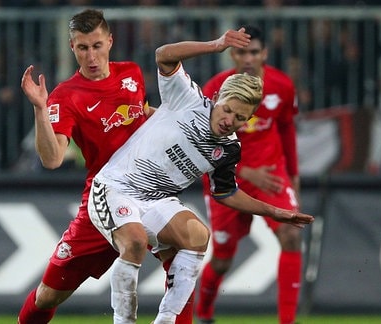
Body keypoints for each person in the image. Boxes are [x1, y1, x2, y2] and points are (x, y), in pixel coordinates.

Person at [88, 27, 314, 324]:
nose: (230, 121)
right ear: (218, 97)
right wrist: (216, 44)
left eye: (241, 118)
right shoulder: (187, 97)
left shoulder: (229, 148)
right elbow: (163, 56)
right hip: (117, 187)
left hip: (156, 200)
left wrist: (275, 212)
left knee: (198, 236)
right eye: (229, 111)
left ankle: (166, 320)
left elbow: (226, 192)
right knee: (135, 241)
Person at [17, 9, 193, 323]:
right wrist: (40, 110)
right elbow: (53, 159)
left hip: (146, 191)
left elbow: (142, 114)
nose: (91, 55)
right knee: (48, 295)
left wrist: (182, 125)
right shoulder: (66, 97)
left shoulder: (133, 73)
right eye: (83, 48)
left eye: (97, 45)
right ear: (73, 48)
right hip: (103, 198)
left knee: (183, 253)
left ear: (110, 42)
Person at [195, 25, 302, 324]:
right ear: (233, 54)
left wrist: (293, 176)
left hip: (272, 175)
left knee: (291, 236)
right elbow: (203, 147)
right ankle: (203, 313)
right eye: (242, 51)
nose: (248, 58)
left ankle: (287, 321)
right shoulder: (213, 91)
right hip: (225, 180)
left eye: (254, 52)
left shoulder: (282, 86)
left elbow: (286, 131)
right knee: (223, 258)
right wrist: (246, 172)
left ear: (264, 53)